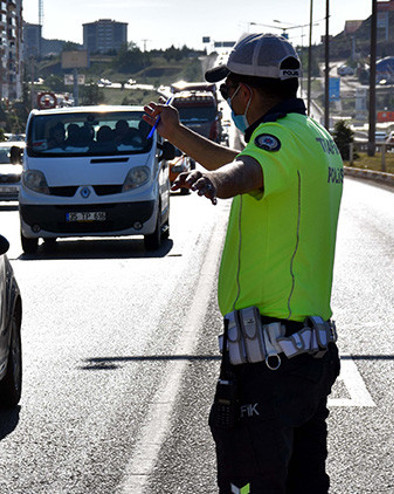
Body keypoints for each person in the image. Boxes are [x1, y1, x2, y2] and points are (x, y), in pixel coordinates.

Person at [143, 33, 343, 493]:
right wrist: (175, 133)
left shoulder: (277, 140)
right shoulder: (313, 139)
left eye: (227, 88)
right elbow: (248, 162)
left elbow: (243, 171)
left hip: (270, 361)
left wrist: (213, 182)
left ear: (246, 92)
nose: (228, 98)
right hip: (307, 355)